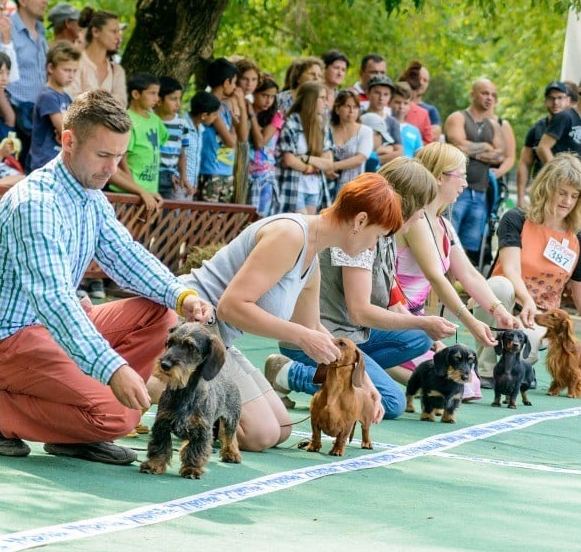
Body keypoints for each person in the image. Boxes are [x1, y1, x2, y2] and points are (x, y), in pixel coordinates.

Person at [0, 89, 214, 464]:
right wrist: (112, 369)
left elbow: (126, 255)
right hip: (5, 343)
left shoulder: (91, 195)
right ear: (68, 141)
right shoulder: (36, 204)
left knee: (160, 313)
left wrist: (182, 296)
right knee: (119, 415)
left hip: (53, 329)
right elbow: (54, 303)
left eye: (118, 156)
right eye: (102, 155)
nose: (112, 168)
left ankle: (76, 428)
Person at [171, 172, 403, 451]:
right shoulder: (290, 235)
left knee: (281, 428)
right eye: (377, 236)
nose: (374, 246)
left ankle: (189, 396)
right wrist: (303, 337)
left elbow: (313, 326)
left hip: (219, 341)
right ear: (360, 221)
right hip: (187, 331)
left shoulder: (311, 255)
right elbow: (232, 307)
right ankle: (158, 386)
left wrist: (365, 383)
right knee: (260, 435)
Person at [265, 158, 450, 419]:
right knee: (391, 403)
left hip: (353, 335)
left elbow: (392, 303)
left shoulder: (384, 234)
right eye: (422, 207)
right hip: (324, 338)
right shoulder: (359, 236)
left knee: (421, 337)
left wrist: (427, 328)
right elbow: (359, 312)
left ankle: (353, 374)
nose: (423, 215)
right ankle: (289, 372)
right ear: (408, 202)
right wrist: (422, 322)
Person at [478, 153, 581, 380]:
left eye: (574, 196)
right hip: (504, 304)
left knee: (526, 353)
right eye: (562, 192)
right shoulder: (516, 219)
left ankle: (522, 370)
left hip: (540, 317)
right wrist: (526, 301)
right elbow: (510, 270)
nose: (567, 201)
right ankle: (484, 370)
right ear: (546, 188)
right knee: (498, 286)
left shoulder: (578, 240)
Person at [395, 142, 519, 396]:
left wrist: (498, 310)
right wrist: (471, 322)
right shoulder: (416, 220)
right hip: (396, 318)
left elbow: (470, 275)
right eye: (460, 176)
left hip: (416, 323)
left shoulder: (443, 225)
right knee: (455, 387)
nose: (465, 183)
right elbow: (436, 277)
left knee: (468, 385)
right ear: (439, 178)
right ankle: (372, 364)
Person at [444, 78, 506, 265]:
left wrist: (472, 150)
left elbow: (500, 155)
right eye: (485, 93)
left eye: (493, 95)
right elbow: (456, 145)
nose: (489, 98)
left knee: (471, 243)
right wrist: (486, 147)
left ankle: (460, 284)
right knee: (448, 238)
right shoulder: (458, 118)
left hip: (480, 192)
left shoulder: (494, 125)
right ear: (472, 94)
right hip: (455, 189)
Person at [4, 0, 49, 162]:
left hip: (38, 116)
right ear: (22, 0)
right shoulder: (8, 29)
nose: (45, 0)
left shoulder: (41, 30)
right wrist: (9, 115)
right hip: (15, 113)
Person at [109, 72, 167, 215]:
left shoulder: (155, 120)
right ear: (136, 94)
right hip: (128, 193)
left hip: (150, 192)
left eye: (157, 93)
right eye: (152, 93)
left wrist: (148, 191)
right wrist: (137, 189)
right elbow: (122, 161)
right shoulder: (128, 120)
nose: (156, 98)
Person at [275, 81, 332, 214]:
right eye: (322, 98)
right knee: (300, 224)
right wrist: (313, 167)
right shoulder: (292, 122)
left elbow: (329, 163)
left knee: (309, 228)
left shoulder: (323, 125)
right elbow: (289, 160)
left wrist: (305, 158)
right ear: (311, 100)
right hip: (294, 185)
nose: (326, 103)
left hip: (314, 187)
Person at [537, 74, 581, 177]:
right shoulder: (565, 117)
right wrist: (559, 176)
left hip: (573, 187)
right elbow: (543, 148)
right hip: (556, 186)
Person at [517, 81, 571, 209]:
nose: (555, 102)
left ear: (567, 100)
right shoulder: (537, 128)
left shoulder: (576, 126)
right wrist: (520, 197)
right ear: (545, 101)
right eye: (551, 98)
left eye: (560, 98)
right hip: (542, 190)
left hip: (568, 191)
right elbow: (525, 163)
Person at [28, 41, 80, 172]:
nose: (71, 75)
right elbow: (65, 128)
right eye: (66, 70)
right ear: (50, 68)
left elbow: (73, 128)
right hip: (44, 161)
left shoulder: (66, 97)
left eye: (74, 71)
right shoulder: (48, 95)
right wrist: (68, 131)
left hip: (59, 160)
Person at [198, 58, 242, 202]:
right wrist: (235, 127)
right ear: (226, 82)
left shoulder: (224, 105)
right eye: (234, 82)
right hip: (211, 171)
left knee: (220, 220)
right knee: (208, 219)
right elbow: (230, 141)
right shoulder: (212, 105)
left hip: (225, 171)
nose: (235, 87)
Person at [67, 7, 126, 106]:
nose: (118, 37)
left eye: (119, 32)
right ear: (95, 32)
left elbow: (120, 108)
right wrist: (108, 102)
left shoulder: (116, 70)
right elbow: (71, 103)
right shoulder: (74, 63)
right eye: (113, 31)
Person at [246, 77, 283, 216]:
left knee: (259, 219)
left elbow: (260, 143)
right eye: (264, 95)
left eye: (272, 97)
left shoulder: (276, 116)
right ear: (254, 93)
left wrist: (252, 116)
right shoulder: (244, 111)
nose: (268, 100)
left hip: (264, 175)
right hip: (244, 174)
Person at [326, 89, 373, 199]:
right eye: (347, 106)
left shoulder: (365, 131)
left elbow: (360, 158)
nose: (351, 111)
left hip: (353, 188)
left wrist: (332, 166)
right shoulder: (328, 130)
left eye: (355, 107)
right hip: (328, 186)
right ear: (337, 109)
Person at [398, 60, 440, 142]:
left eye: (425, 80)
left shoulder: (430, 111)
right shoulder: (393, 105)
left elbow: (432, 137)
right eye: (419, 78)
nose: (421, 83)